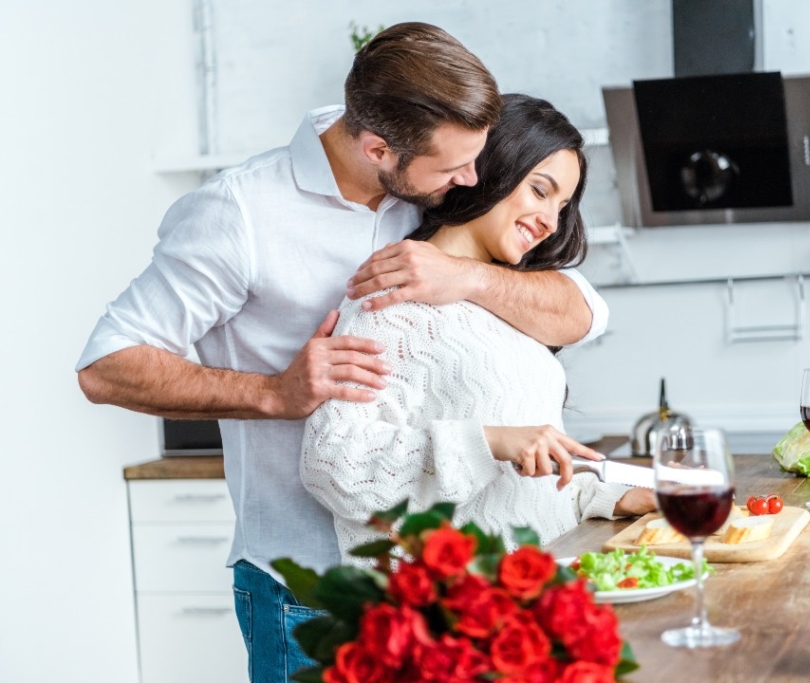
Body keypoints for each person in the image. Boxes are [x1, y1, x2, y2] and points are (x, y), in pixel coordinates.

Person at [75, 22, 608, 683]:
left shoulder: (426, 190)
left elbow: (582, 310)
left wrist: (465, 277)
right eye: (455, 169)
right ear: (378, 148)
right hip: (309, 589)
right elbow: (105, 364)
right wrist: (274, 392)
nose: (471, 178)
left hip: (419, 594)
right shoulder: (241, 212)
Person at [301, 93, 655, 561]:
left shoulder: (508, 307)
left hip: (535, 591)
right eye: (541, 190)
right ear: (493, 168)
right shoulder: (389, 303)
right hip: (449, 613)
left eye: (563, 205)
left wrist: (610, 497)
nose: (551, 221)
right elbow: (334, 468)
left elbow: (515, 493)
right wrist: (488, 440)